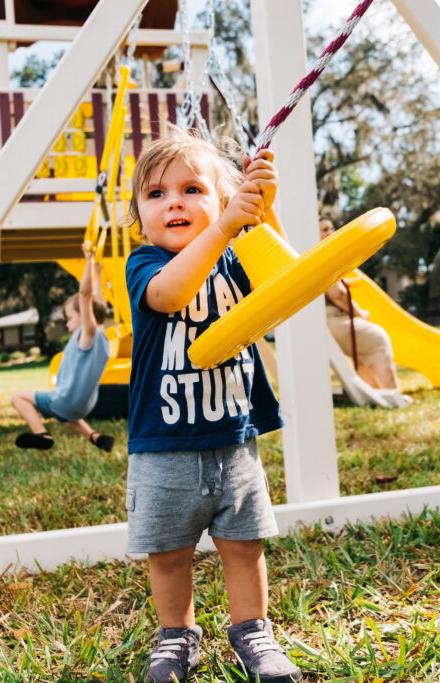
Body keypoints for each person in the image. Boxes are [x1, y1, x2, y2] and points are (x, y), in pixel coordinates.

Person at [124, 131, 302, 683]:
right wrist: (225, 223)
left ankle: (254, 632)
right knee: (169, 554)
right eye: (155, 194)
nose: (173, 201)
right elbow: (172, 295)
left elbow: (287, 280)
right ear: (139, 215)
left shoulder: (237, 256)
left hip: (233, 440)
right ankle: (176, 637)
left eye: (192, 188)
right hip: (164, 448)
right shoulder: (144, 263)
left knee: (243, 546)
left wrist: (263, 214)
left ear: (222, 200)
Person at [10, 242, 114, 452]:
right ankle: (95, 437)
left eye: (69, 318)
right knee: (63, 415)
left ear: (85, 316)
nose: (67, 324)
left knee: (18, 397)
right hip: (83, 405)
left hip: (66, 400)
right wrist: (96, 272)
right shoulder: (102, 336)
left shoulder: (88, 334)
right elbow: (97, 300)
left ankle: (41, 434)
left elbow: (86, 297)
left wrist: (88, 260)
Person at [319, 216, 400, 391]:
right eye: (324, 229)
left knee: (367, 347)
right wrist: (359, 314)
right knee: (378, 338)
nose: (330, 232)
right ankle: (392, 394)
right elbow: (339, 295)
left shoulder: (325, 257)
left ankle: (375, 391)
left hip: (329, 322)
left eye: (331, 228)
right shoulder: (320, 257)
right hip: (331, 321)